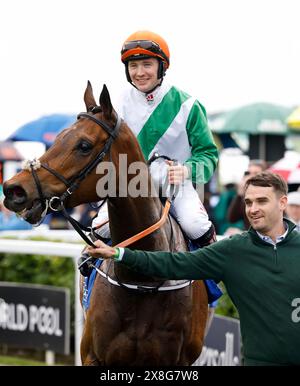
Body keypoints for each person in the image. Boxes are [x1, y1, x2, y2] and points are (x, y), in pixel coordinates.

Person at [87, 172, 300, 366]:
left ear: (282, 203)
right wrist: (119, 254)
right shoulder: (233, 250)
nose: (252, 210)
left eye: (262, 201)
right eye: (248, 202)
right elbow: (174, 264)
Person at [92, 30, 218, 248]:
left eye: (147, 64)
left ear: (162, 66)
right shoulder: (116, 106)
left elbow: (208, 153)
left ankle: (213, 279)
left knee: (196, 225)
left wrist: (187, 170)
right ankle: (89, 276)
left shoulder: (189, 105)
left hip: (176, 187)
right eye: (133, 66)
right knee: (100, 226)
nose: (139, 72)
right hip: (129, 186)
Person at [227, 159, 267, 229]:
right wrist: (239, 194)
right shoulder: (247, 196)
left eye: (255, 173)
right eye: (249, 173)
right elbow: (232, 218)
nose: (251, 176)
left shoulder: (268, 194)